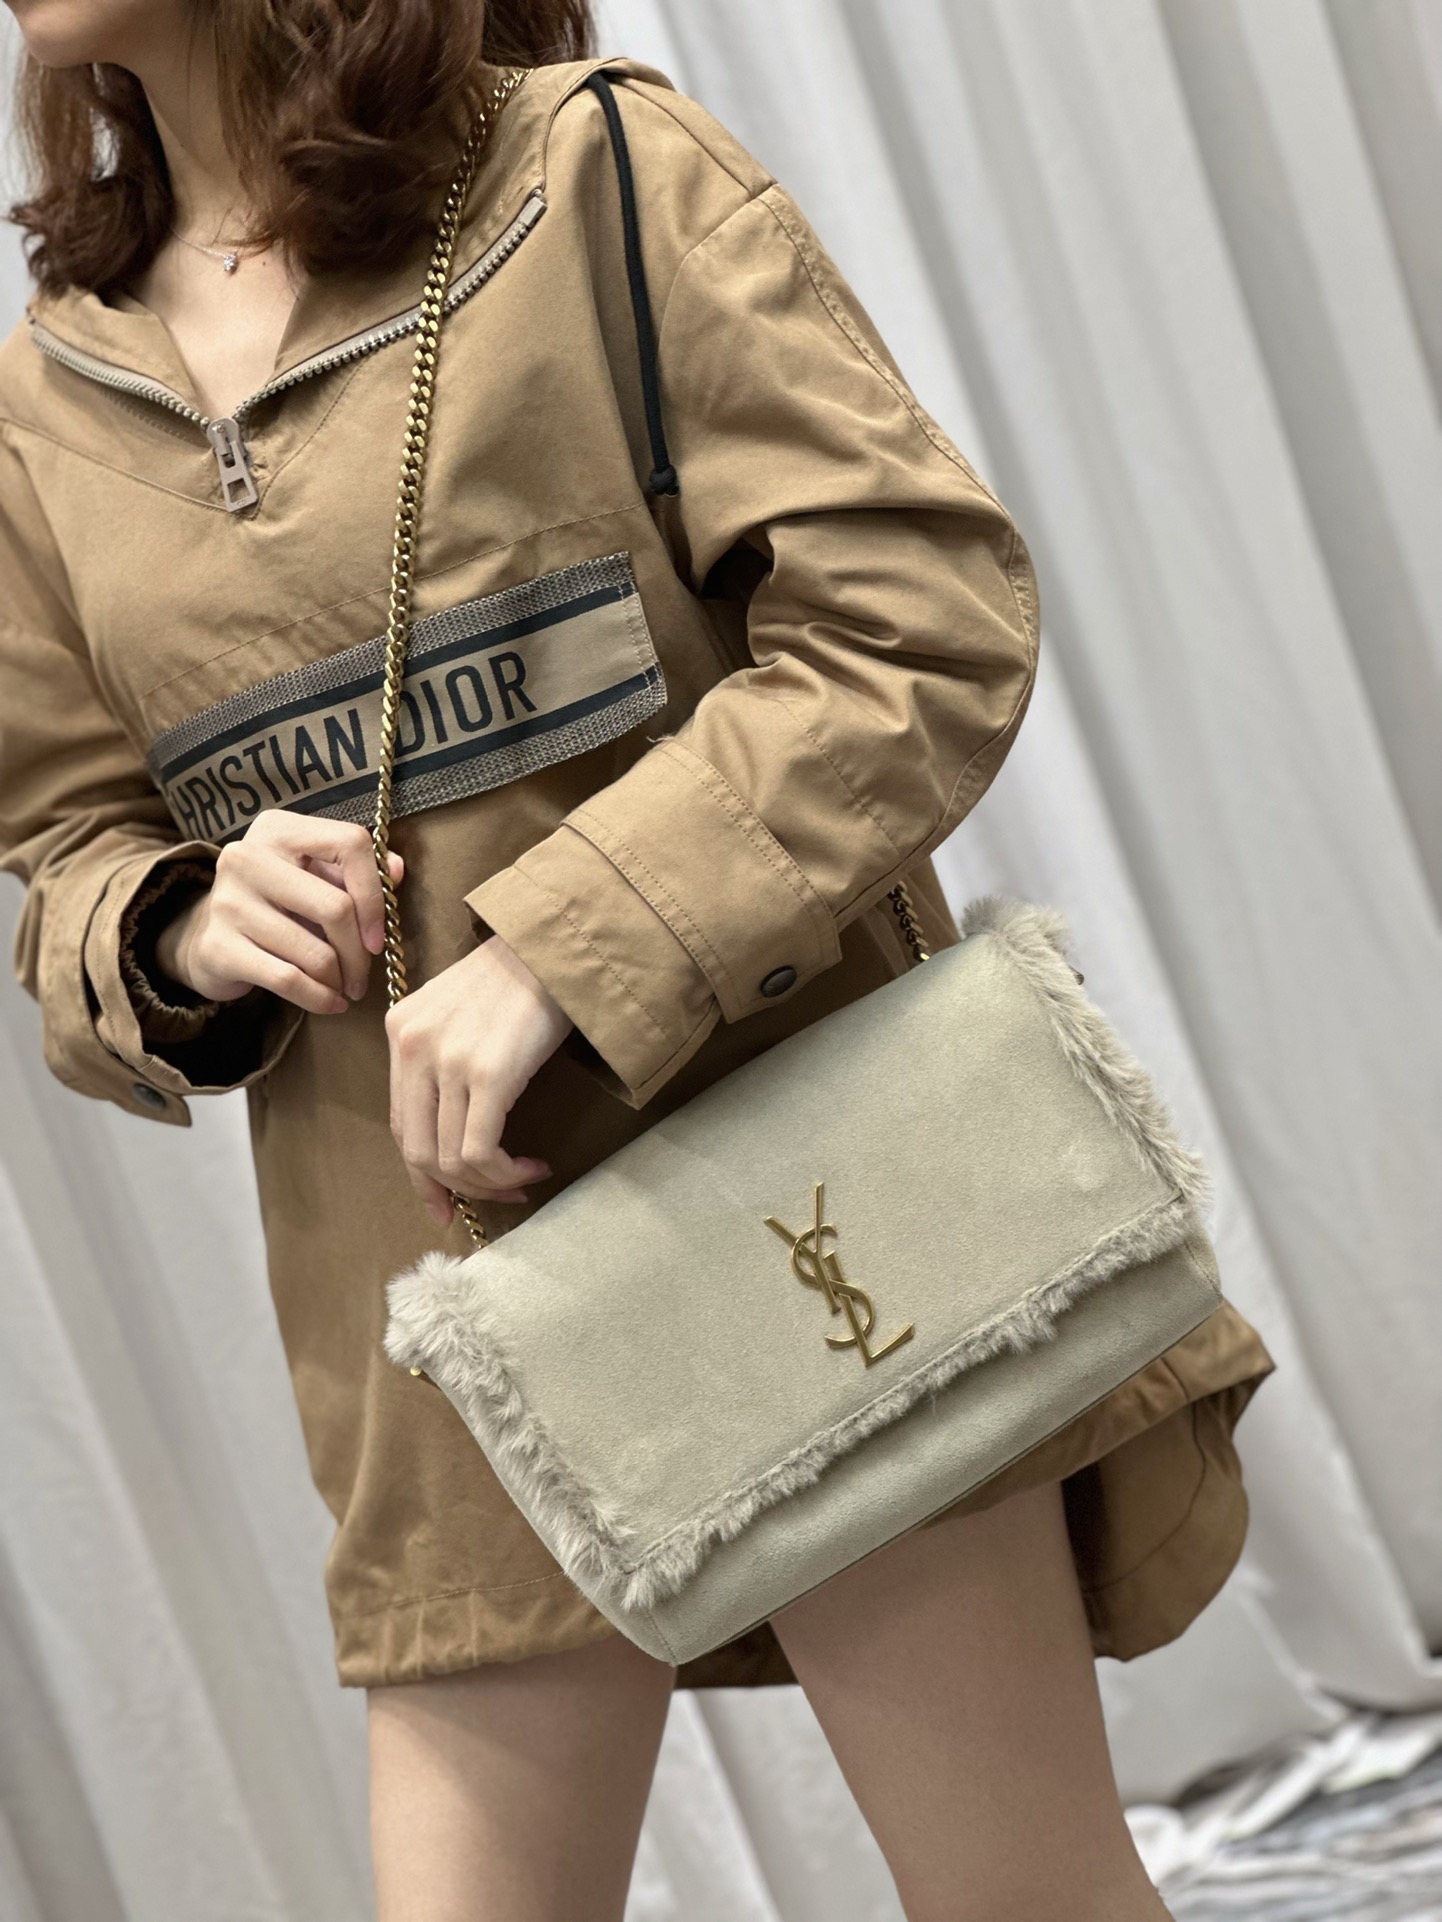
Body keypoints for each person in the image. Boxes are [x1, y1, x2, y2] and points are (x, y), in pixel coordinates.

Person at [0, 3, 1272, 1917]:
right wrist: (177, 923)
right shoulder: (50, 401)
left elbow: (912, 621)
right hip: (436, 1318)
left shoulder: (589, 175)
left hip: (802, 1219)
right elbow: (66, 847)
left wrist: (562, 947)